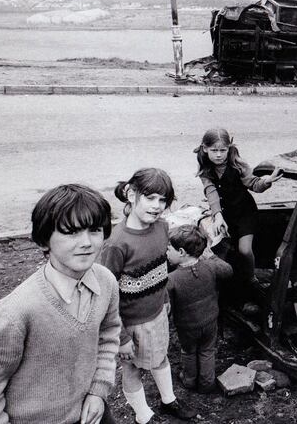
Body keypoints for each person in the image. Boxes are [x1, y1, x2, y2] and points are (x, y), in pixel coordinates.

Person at [0, 184, 121, 424]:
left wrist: (98, 390)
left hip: (92, 413)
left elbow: (108, 334)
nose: (86, 242)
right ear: (44, 241)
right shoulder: (12, 316)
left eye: (94, 230)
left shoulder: (106, 281)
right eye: (72, 232)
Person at [100, 168, 196, 423]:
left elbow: (160, 266)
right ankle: (143, 415)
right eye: (150, 197)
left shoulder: (162, 228)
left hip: (156, 313)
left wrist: (164, 299)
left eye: (163, 200)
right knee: (132, 369)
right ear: (132, 195)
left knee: (160, 357)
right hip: (130, 323)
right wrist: (120, 338)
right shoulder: (116, 243)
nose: (157, 206)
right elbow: (106, 295)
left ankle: (168, 400)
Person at [195, 127, 282, 287]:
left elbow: (254, 184)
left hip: (244, 213)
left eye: (223, 150)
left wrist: (266, 181)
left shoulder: (237, 165)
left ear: (229, 148)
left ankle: (251, 278)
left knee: (245, 250)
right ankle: (226, 281)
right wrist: (217, 215)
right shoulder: (206, 167)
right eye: (214, 150)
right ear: (205, 148)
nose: (219, 154)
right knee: (220, 248)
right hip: (224, 214)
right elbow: (211, 191)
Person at [166, 224, 233, 394]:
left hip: (187, 326)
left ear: (181, 252)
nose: (166, 254)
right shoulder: (210, 266)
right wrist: (212, 257)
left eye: (168, 250)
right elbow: (228, 271)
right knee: (207, 351)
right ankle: (206, 384)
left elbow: (168, 307)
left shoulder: (172, 279)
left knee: (188, 352)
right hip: (210, 320)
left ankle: (189, 380)